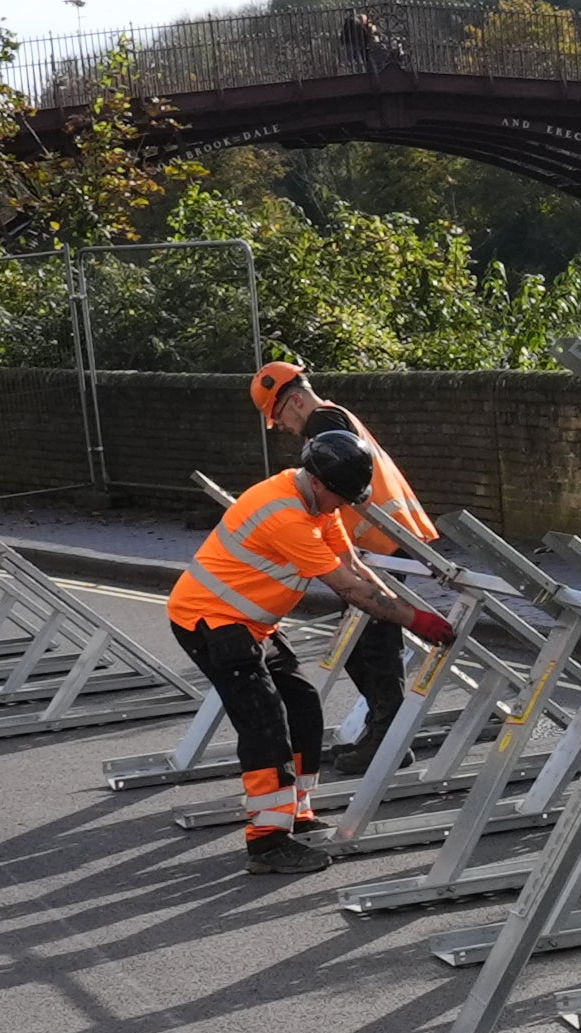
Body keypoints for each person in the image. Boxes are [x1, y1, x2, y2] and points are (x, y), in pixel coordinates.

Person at [170, 430, 454, 871]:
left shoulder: (318, 501)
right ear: (318, 482)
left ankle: (296, 812)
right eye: (338, 497)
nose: (341, 506)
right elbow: (346, 588)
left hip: (251, 623)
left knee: (303, 703)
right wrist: (415, 620)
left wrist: (411, 611)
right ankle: (267, 844)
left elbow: (353, 567)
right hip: (210, 623)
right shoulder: (284, 514)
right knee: (265, 723)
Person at [248, 356, 445, 767]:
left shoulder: (324, 426)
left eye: (279, 415)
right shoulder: (335, 417)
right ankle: (381, 735)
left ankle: (387, 744)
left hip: (379, 543)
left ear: (296, 401)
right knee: (365, 648)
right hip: (381, 541)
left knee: (371, 649)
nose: (281, 426)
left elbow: (334, 481)